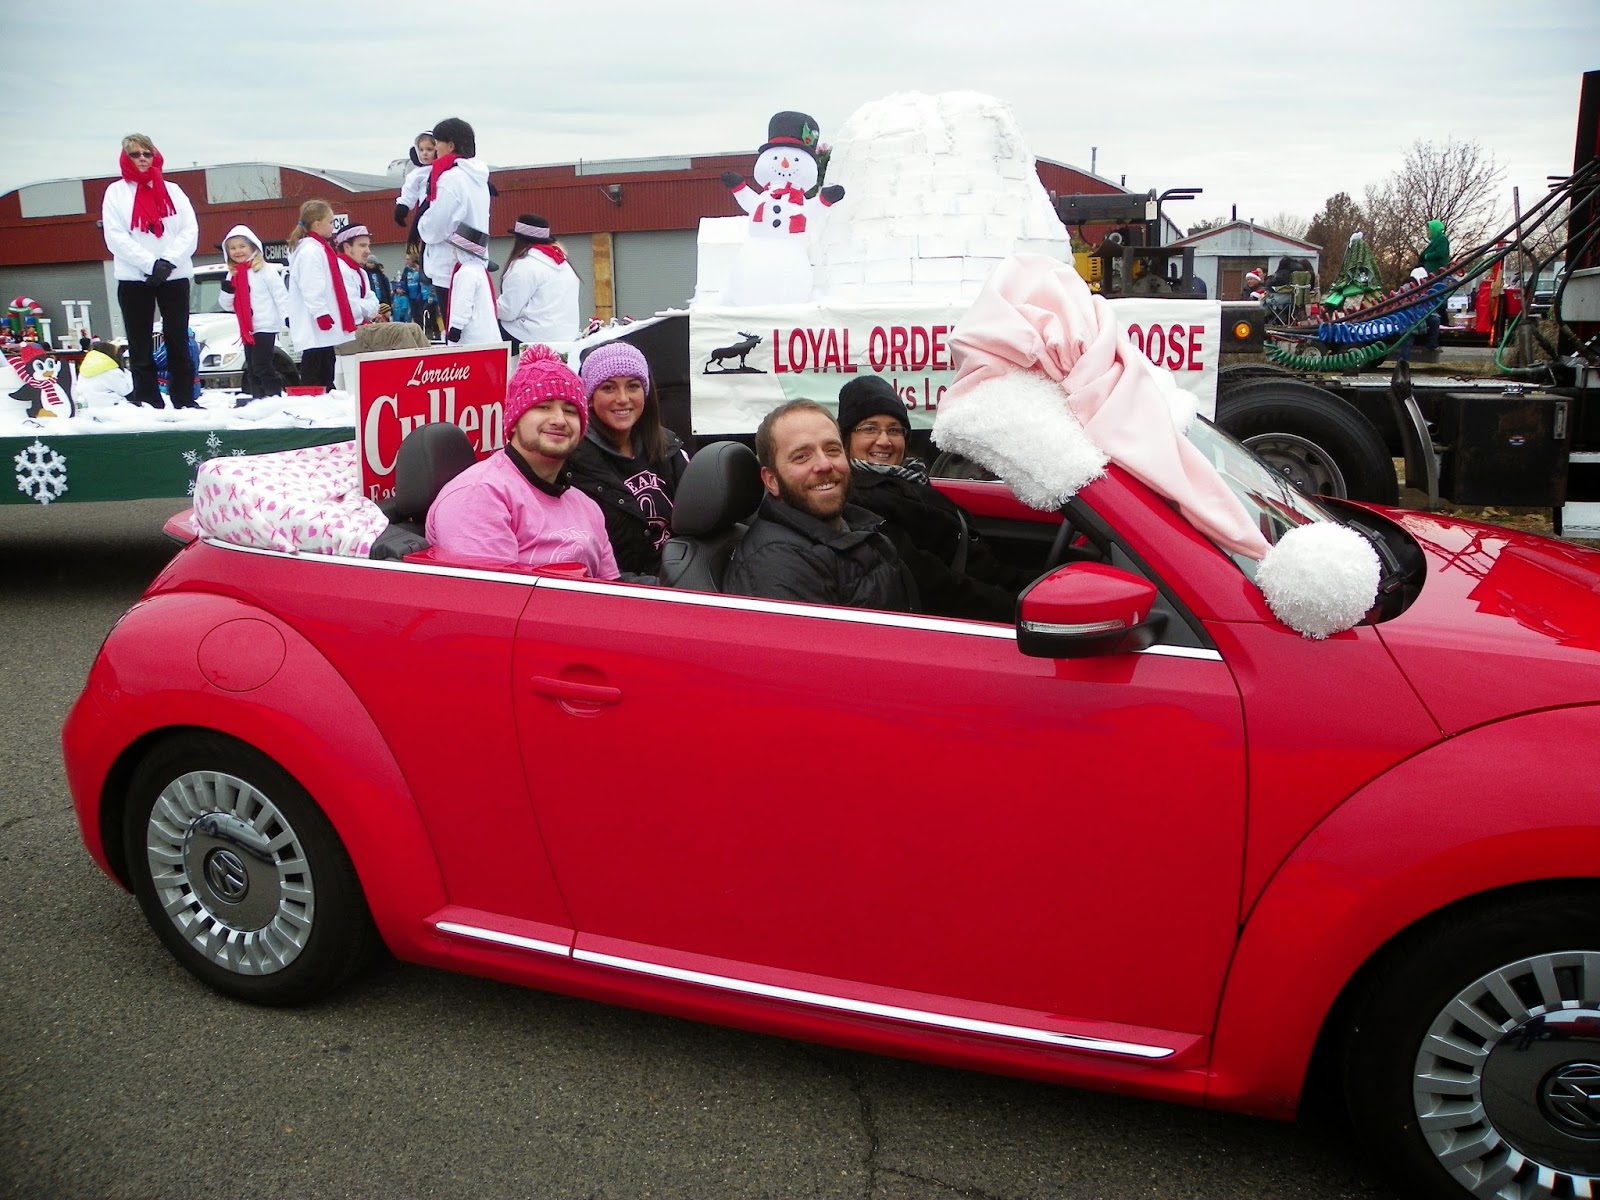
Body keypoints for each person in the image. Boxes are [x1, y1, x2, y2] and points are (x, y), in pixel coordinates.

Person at [836, 376, 1030, 622]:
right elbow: (933, 584)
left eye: (894, 430)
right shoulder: (858, 500)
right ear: (846, 439)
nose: (884, 441)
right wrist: (1020, 610)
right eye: (869, 428)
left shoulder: (911, 477)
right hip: (962, 619)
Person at [426, 345, 620, 579]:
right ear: (514, 422)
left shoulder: (587, 507)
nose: (559, 420)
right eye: (543, 407)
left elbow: (612, 592)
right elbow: (490, 603)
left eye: (570, 411)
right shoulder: (480, 494)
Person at [724, 399, 910, 611]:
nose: (824, 464)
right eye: (802, 457)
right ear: (772, 480)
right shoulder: (775, 566)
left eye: (832, 450)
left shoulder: (857, 523)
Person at [569, 342, 691, 575]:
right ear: (590, 397)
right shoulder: (572, 463)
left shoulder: (669, 447)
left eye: (633, 386)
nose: (623, 398)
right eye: (608, 388)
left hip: (682, 581)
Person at [101, 133, 200, 408]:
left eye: (147, 153)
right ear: (125, 158)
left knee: (178, 336)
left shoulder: (174, 190)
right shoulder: (115, 193)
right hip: (134, 277)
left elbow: (189, 230)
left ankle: (184, 398)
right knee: (139, 339)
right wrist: (149, 264)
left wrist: (167, 262)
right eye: (136, 154)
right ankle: (147, 398)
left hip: (174, 274)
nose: (143, 159)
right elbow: (116, 237)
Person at [287, 202, 376, 389]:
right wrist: (321, 313)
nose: (332, 226)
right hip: (316, 322)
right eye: (330, 222)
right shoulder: (311, 251)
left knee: (326, 363)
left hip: (322, 327)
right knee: (315, 365)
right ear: (317, 224)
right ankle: (314, 396)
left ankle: (326, 393)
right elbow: (311, 284)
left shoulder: (319, 249)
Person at [415, 117, 490, 320]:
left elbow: (436, 227)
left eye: (437, 142)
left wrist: (421, 223)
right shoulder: (478, 178)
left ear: (450, 144)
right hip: (475, 261)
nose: (435, 148)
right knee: (475, 326)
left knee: (457, 331)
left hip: (451, 266)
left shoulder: (451, 178)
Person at [216, 224, 290, 403]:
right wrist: (227, 291)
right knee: (251, 366)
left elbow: (280, 295)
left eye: (242, 246)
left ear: (253, 247)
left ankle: (273, 396)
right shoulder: (232, 275)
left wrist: (287, 316)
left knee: (262, 364)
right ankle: (258, 398)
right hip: (247, 330)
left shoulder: (264, 270)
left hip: (265, 325)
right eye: (232, 248)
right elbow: (227, 305)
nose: (237, 251)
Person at [497, 214, 580, 348]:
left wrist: (487, 305)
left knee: (487, 331)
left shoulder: (523, 265)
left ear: (518, 239)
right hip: (567, 337)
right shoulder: (564, 264)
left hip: (533, 337)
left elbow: (508, 312)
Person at [442, 223, 501, 345]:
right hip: (486, 333)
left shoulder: (466, 272)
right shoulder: (480, 269)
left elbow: (463, 300)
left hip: (471, 337)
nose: (453, 253)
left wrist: (456, 326)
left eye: (455, 249)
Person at [393, 130, 435, 231]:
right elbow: (409, 191)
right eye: (421, 150)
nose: (424, 153)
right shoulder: (417, 174)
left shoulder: (447, 169)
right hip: (426, 210)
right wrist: (403, 206)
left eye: (429, 149)